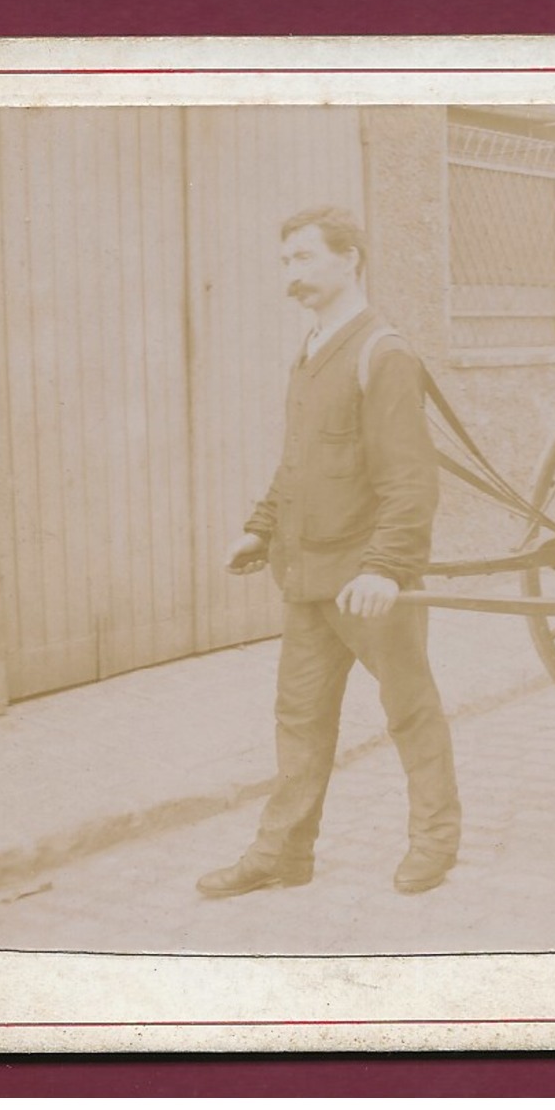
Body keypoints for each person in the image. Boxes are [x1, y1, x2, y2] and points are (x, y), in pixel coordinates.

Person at [197, 206, 461, 899]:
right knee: (299, 719)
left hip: (368, 582)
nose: (292, 274)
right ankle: (283, 854)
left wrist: (384, 569)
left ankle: (434, 841)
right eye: (285, 261)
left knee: (409, 709)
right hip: (307, 575)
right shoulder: (314, 347)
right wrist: (260, 527)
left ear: (350, 259)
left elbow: (411, 479)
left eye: (306, 258)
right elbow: (300, 462)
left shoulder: (383, 353)